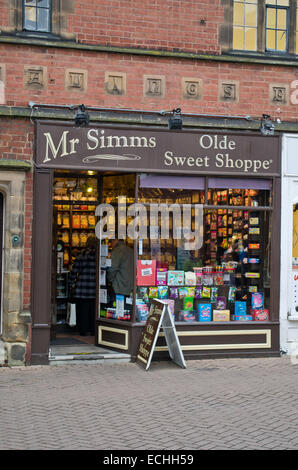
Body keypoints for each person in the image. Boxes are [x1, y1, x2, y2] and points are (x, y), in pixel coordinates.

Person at [69, 235, 97, 336]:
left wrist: (71, 284)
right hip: (95, 288)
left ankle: (83, 331)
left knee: (83, 311)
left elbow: (74, 271)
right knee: (94, 311)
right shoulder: (99, 255)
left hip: (82, 288)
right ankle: (94, 330)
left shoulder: (81, 255)